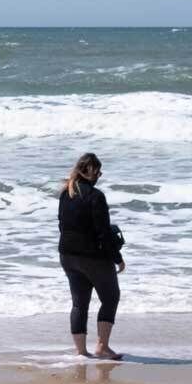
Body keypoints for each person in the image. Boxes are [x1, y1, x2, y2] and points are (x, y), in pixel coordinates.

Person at [57, 152, 124, 360]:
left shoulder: (65, 193)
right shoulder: (96, 196)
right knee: (111, 297)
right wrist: (117, 258)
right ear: (89, 171)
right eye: (98, 172)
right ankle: (102, 347)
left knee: (79, 303)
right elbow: (103, 232)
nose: (99, 176)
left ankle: (81, 351)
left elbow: (62, 225)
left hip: (67, 255)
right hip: (93, 257)